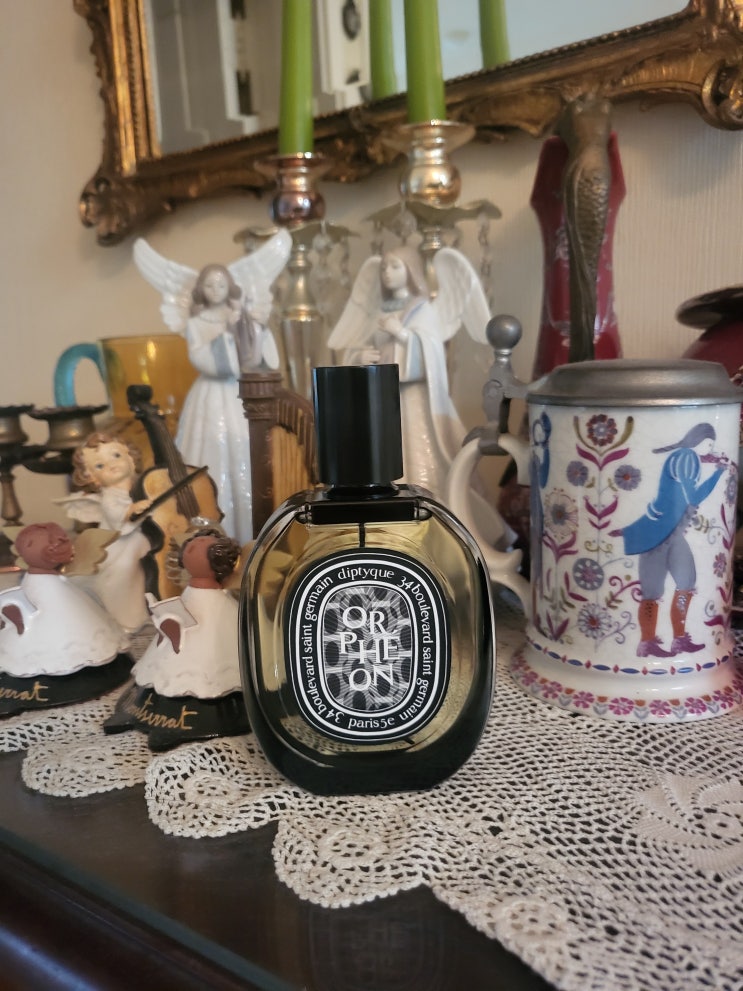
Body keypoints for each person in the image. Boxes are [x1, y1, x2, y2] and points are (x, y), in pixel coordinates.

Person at [132, 232, 292, 546]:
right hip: (210, 397)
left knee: (247, 451)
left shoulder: (239, 314)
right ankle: (212, 528)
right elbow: (202, 359)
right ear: (200, 290)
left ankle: (254, 531)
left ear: (230, 287)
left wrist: (247, 324)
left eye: (221, 285)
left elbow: (257, 357)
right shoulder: (197, 322)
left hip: (242, 393)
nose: (216, 290)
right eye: (209, 285)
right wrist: (225, 335)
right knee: (210, 451)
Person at [329, 245, 488, 499]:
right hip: (382, 398)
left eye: (395, 266)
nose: (387, 273)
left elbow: (432, 350)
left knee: (418, 454)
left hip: (414, 399)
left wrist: (401, 333)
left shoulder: (422, 308)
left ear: (410, 270)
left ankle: (425, 500)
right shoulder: (379, 310)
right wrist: (360, 357)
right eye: (384, 268)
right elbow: (358, 346)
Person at [104, 527, 248, 749]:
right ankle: (158, 711)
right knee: (169, 656)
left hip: (219, 699)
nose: (192, 544)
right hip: (187, 609)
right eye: (193, 542)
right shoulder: (188, 596)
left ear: (218, 561)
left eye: (201, 544)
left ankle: (187, 718)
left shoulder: (222, 605)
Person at [611, 423, 727, 657]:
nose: (712, 449)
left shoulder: (688, 457)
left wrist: (709, 463)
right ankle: (648, 643)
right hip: (658, 535)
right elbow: (694, 496)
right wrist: (718, 473)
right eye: (709, 444)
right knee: (658, 589)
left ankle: (678, 640)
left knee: (684, 582)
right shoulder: (685, 456)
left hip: (671, 533)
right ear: (698, 441)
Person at [0, 522, 127, 680]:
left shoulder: (49, 582)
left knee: (77, 612)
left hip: (57, 595)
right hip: (50, 605)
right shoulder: (41, 584)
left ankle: (84, 652)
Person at [58, 432, 153, 633]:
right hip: (118, 542)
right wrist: (132, 510)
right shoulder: (109, 497)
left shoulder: (141, 487)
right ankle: (127, 617)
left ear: (131, 458)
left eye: (116, 456)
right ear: (93, 478)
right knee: (122, 570)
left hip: (138, 537)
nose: (111, 465)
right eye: (100, 465)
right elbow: (117, 516)